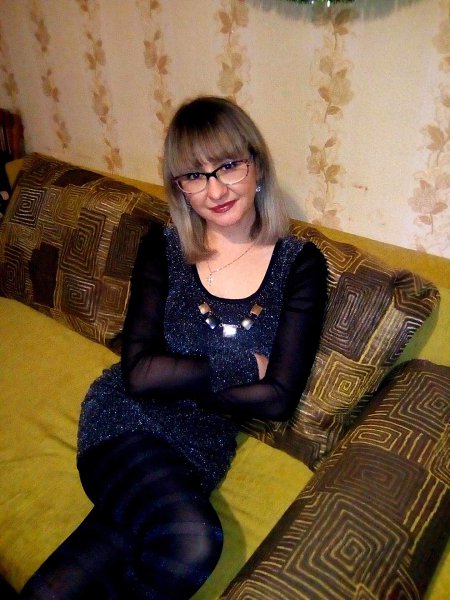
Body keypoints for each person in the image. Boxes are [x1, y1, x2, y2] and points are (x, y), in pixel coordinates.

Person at [19, 96, 328, 599]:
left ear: (256, 164)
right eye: (194, 175)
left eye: (228, 165)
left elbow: (278, 399)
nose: (216, 189)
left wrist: (176, 375)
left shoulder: (300, 264)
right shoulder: (163, 248)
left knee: (62, 586)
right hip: (124, 422)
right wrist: (244, 363)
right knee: (192, 544)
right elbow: (139, 375)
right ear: (179, 186)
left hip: (198, 449)